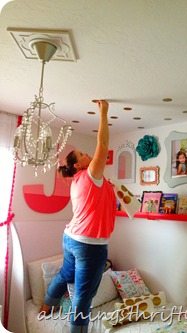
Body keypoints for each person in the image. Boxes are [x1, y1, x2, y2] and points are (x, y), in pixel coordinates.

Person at [40, 100, 117, 333]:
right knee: (84, 294)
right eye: (83, 154)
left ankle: (47, 304)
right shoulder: (90, 175)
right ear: (78, 165)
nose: (89, 155)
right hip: (89, 244)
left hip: (72, 238)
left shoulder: (77, 181)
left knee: (66, 274)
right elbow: (103, 144)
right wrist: (103, 113)